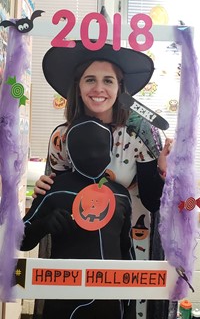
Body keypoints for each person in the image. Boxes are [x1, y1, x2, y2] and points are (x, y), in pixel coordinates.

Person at [33, 40, 172, 319]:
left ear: (120, 87)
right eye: (90, 80)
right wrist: (43, 189)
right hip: (75, 248)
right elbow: (58, 197)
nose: (99, 89)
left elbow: (152, 201)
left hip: (129, 244)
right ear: (78, 86)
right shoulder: (62, 136)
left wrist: (162, 172)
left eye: (108, 80)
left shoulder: (140, 134)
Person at [21, 115, 136, 319]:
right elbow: (20, 240)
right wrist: (44, 225)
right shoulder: (53, 188)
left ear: (109, 151)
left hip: (111, 300)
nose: (92, 153)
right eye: (83, 146)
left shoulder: (120, 194)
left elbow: (126, 250)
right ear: (70, 151)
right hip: (63, 297)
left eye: (99, 146)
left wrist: (130, 304)